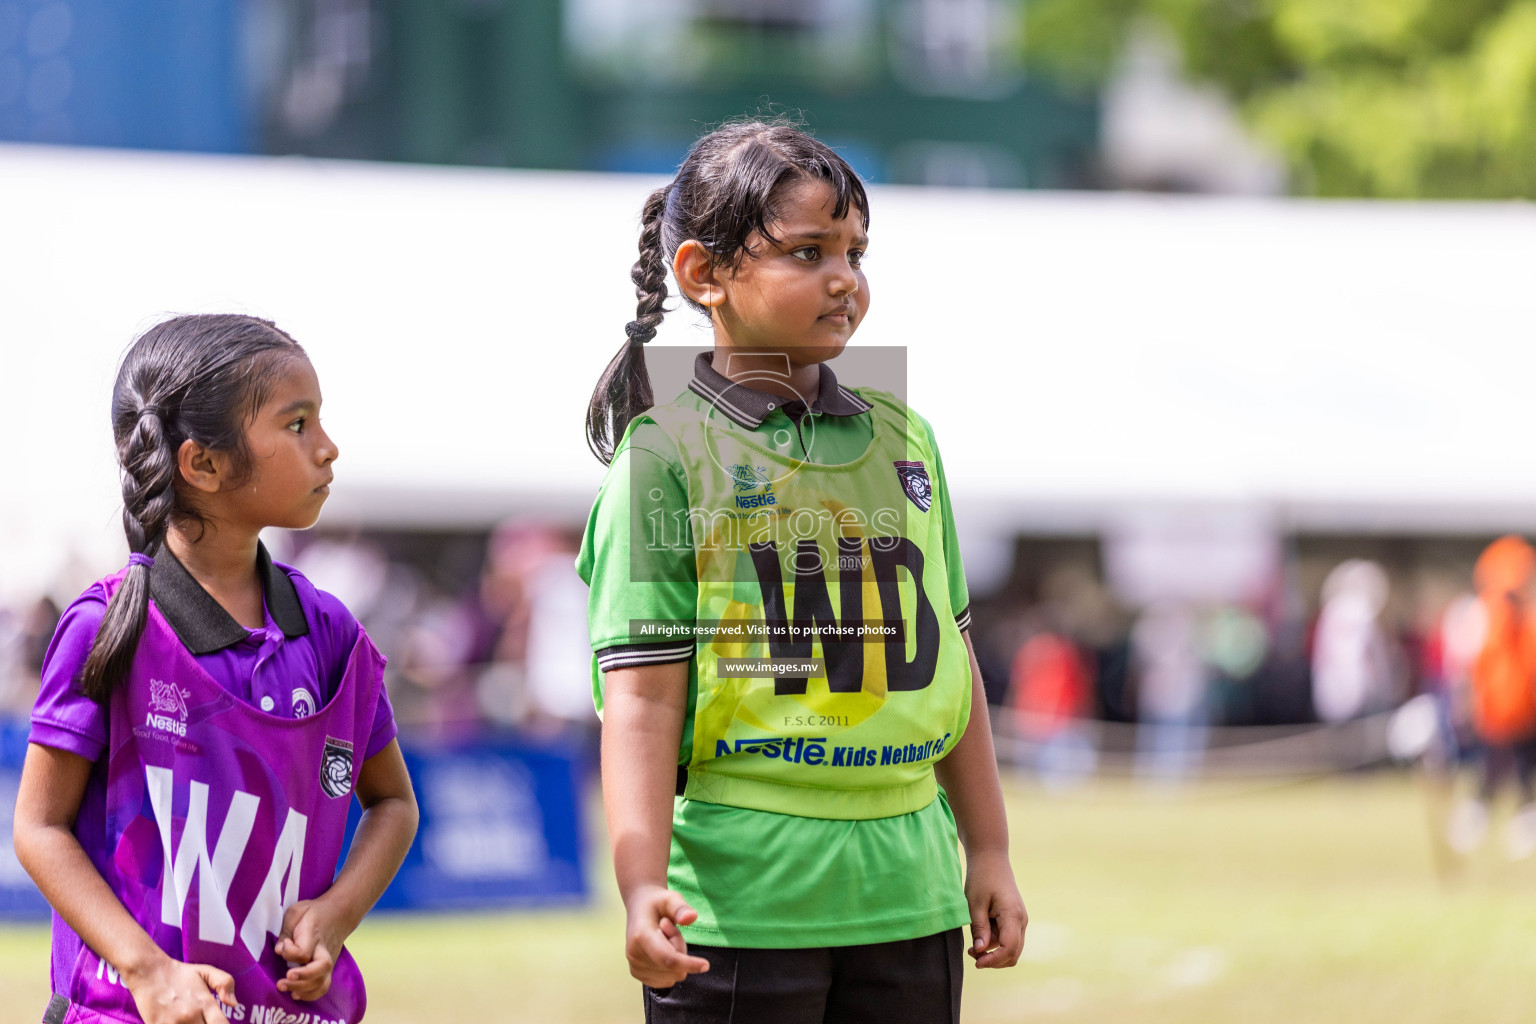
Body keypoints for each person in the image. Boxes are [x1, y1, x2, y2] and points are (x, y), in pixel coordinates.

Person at [576, 119, 1026, 1023]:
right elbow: (642, 695)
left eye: (857, 252)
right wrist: (640, 884)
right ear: (705, 275)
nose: (845, 280)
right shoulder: (663, 457)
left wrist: (988, 849)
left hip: (912, 891)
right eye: (808, 251)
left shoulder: (908, 439)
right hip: (742, 906)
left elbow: (953, 654)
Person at [12, 314, 418, 1024]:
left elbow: (394, 804)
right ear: (202, 464)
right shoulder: (109, 627)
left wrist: (334, 916)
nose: (328, 448)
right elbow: (39, 830)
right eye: (297, 425)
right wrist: (149, 972)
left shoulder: (331, 636)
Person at [1446, 536, 1536, 857]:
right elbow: (1468, 665)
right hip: (1495, 711)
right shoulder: (1484, 613)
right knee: (1489, 770)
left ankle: (1524, 822)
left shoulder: (1527, 615)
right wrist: (1466, 702)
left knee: (1524, 772)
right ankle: (1476, 819)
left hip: (1525, 711)